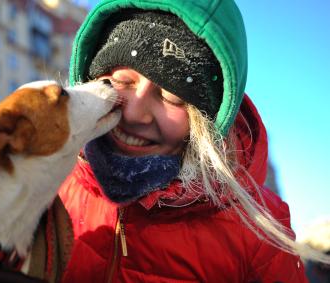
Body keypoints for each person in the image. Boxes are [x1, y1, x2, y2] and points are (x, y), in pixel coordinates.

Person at [57, 0, 330, 282]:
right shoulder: (43, 180)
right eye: (122, 81)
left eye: (171, 96)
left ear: (207, 122)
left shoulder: (259, 236)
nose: (136, 113)